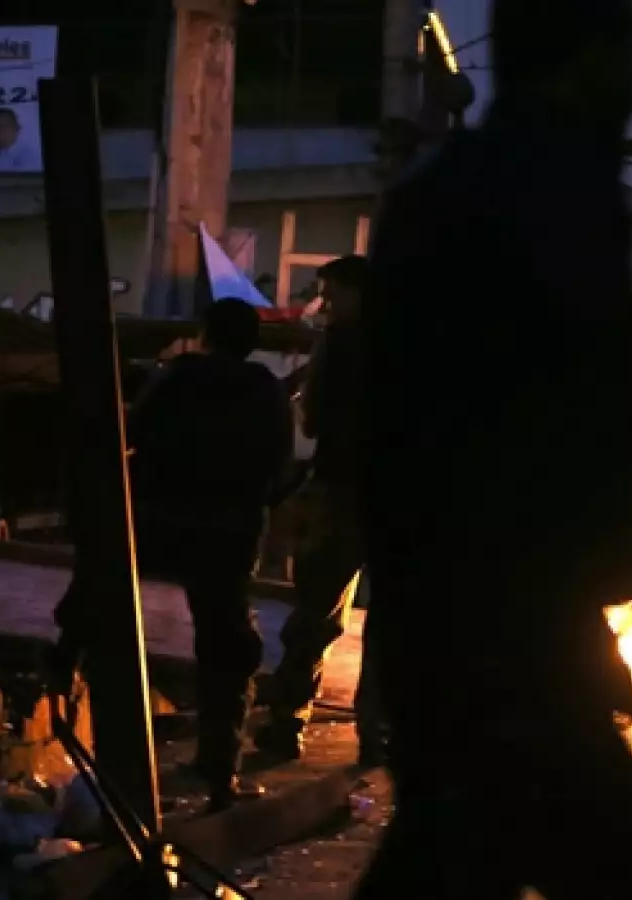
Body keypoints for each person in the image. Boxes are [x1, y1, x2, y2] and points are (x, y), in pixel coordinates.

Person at [351, 1, 632, 896]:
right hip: (511, 643)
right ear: (587, 60)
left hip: (457, 632)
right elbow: (564, 408)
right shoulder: (549, 188)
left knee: (453, 845)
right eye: (626, 58)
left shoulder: (450, 189)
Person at [55, 299, 293, 812]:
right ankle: (220, 771)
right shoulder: (267, 392)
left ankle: (57, 700)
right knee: (226, 649)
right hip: (228, 534)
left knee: (93, 605)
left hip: (158, 523)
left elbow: (132, 437)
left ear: (206, 334)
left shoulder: (176, 380)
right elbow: (279, 468)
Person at [255, 255, 385, 767]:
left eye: (332, 294)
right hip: (396, 497)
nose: (325, 305)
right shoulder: (416, 346)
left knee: (316, 612)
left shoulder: (338, 346)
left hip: (338, 490)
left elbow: (310, 423)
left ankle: (287, 722)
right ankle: (376, 734)